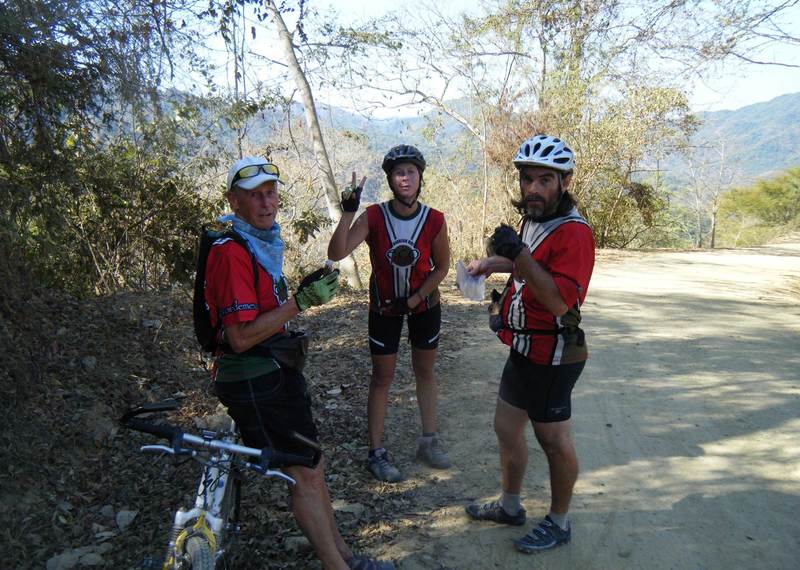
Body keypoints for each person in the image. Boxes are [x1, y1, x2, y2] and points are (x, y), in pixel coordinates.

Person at [205, 156, 394, 570]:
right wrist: (301, 302)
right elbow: (238, 337)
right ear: (235, 201)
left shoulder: (259, 240)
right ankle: (337, 565)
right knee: (304, 473)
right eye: (254, 196)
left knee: (313, 463)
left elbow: (266, 308)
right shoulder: (232, 253)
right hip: (254, 378)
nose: (265, 202)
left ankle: (344, 554)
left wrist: (300, 295)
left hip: (274, 369)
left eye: (270, 192)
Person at [463, 135, 595, 553]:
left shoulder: (575, 234)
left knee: (554, 441)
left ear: (564, 181)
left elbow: (558, 300)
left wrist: (518, 253)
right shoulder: (533, 219)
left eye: (545, 180)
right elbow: (529, 266)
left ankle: (559, 522)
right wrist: (492, 263)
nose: (534, 189)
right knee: (506, 429)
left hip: (555, 354)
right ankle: (510, 505)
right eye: (528, 179)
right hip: (523, 347)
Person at [327, 145, 451, 482]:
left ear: (420, 176)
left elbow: (442, 267)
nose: (406, 178)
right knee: (382, 378)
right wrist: (348, 212)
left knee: (425, 371)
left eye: (411, 171)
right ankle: (376, 452)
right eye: (399, 173)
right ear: (391, 180)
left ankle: (429, 440)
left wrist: (416, 298)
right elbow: (337, 252)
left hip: (424, 306)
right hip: (383, 308)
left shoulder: (434, 220)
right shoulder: (374, 216)